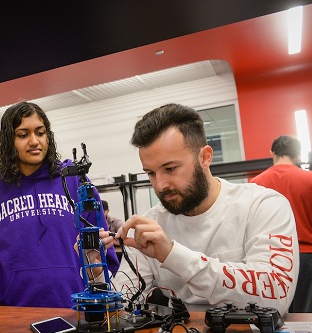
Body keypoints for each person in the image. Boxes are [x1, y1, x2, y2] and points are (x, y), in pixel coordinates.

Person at [113, 103, 298, 316]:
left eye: (170, 168)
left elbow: (276, 299)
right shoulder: (151, 225)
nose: (160, 184)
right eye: (151, 173)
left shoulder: (263, 205)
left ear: (205, 157)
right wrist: (95, 273)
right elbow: (124, 304)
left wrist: (172, 255)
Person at [0, 101, 119, 308]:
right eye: (23, 134)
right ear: (9, 140)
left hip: (77, 309)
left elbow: (101, 249)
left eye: (40, 132)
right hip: (11, 315)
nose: (34, 141)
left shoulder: (75, 181)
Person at [251, 135, 312, 312]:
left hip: (270, 258)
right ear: (298, 155)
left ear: (272, 153)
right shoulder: (309, 180)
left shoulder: (256, 184)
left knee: (274, 315)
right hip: (306, 257)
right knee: (305, 317)